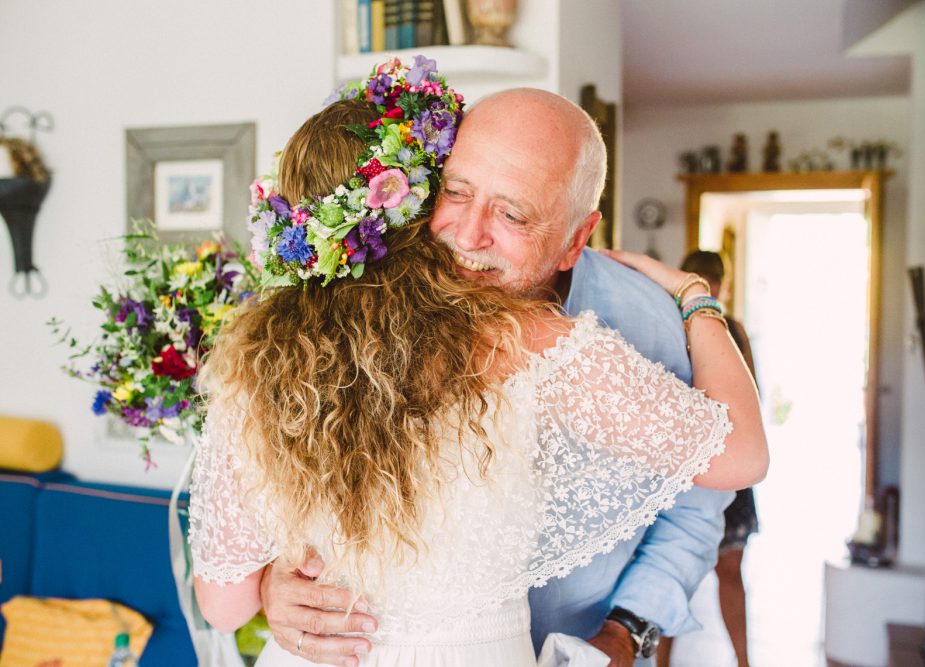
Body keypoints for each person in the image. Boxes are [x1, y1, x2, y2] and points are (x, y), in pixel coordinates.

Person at [189, 59, 767, 667]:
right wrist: (278, 585)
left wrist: (696, 306)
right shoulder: (523, 339)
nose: (468, 235)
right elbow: (744, 453)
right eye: (456, 192)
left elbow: (221, 606)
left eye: (513, 215)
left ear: (577, 238)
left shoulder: (256, 357)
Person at [657, 250, 760, 667]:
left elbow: (749, 402)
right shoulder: (672, 323)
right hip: (691, 463)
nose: (712, 288)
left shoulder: (729, 330)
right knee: (677, 575)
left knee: (720, 573)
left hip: (717, 461)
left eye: (714, 281)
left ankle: (741, 661)